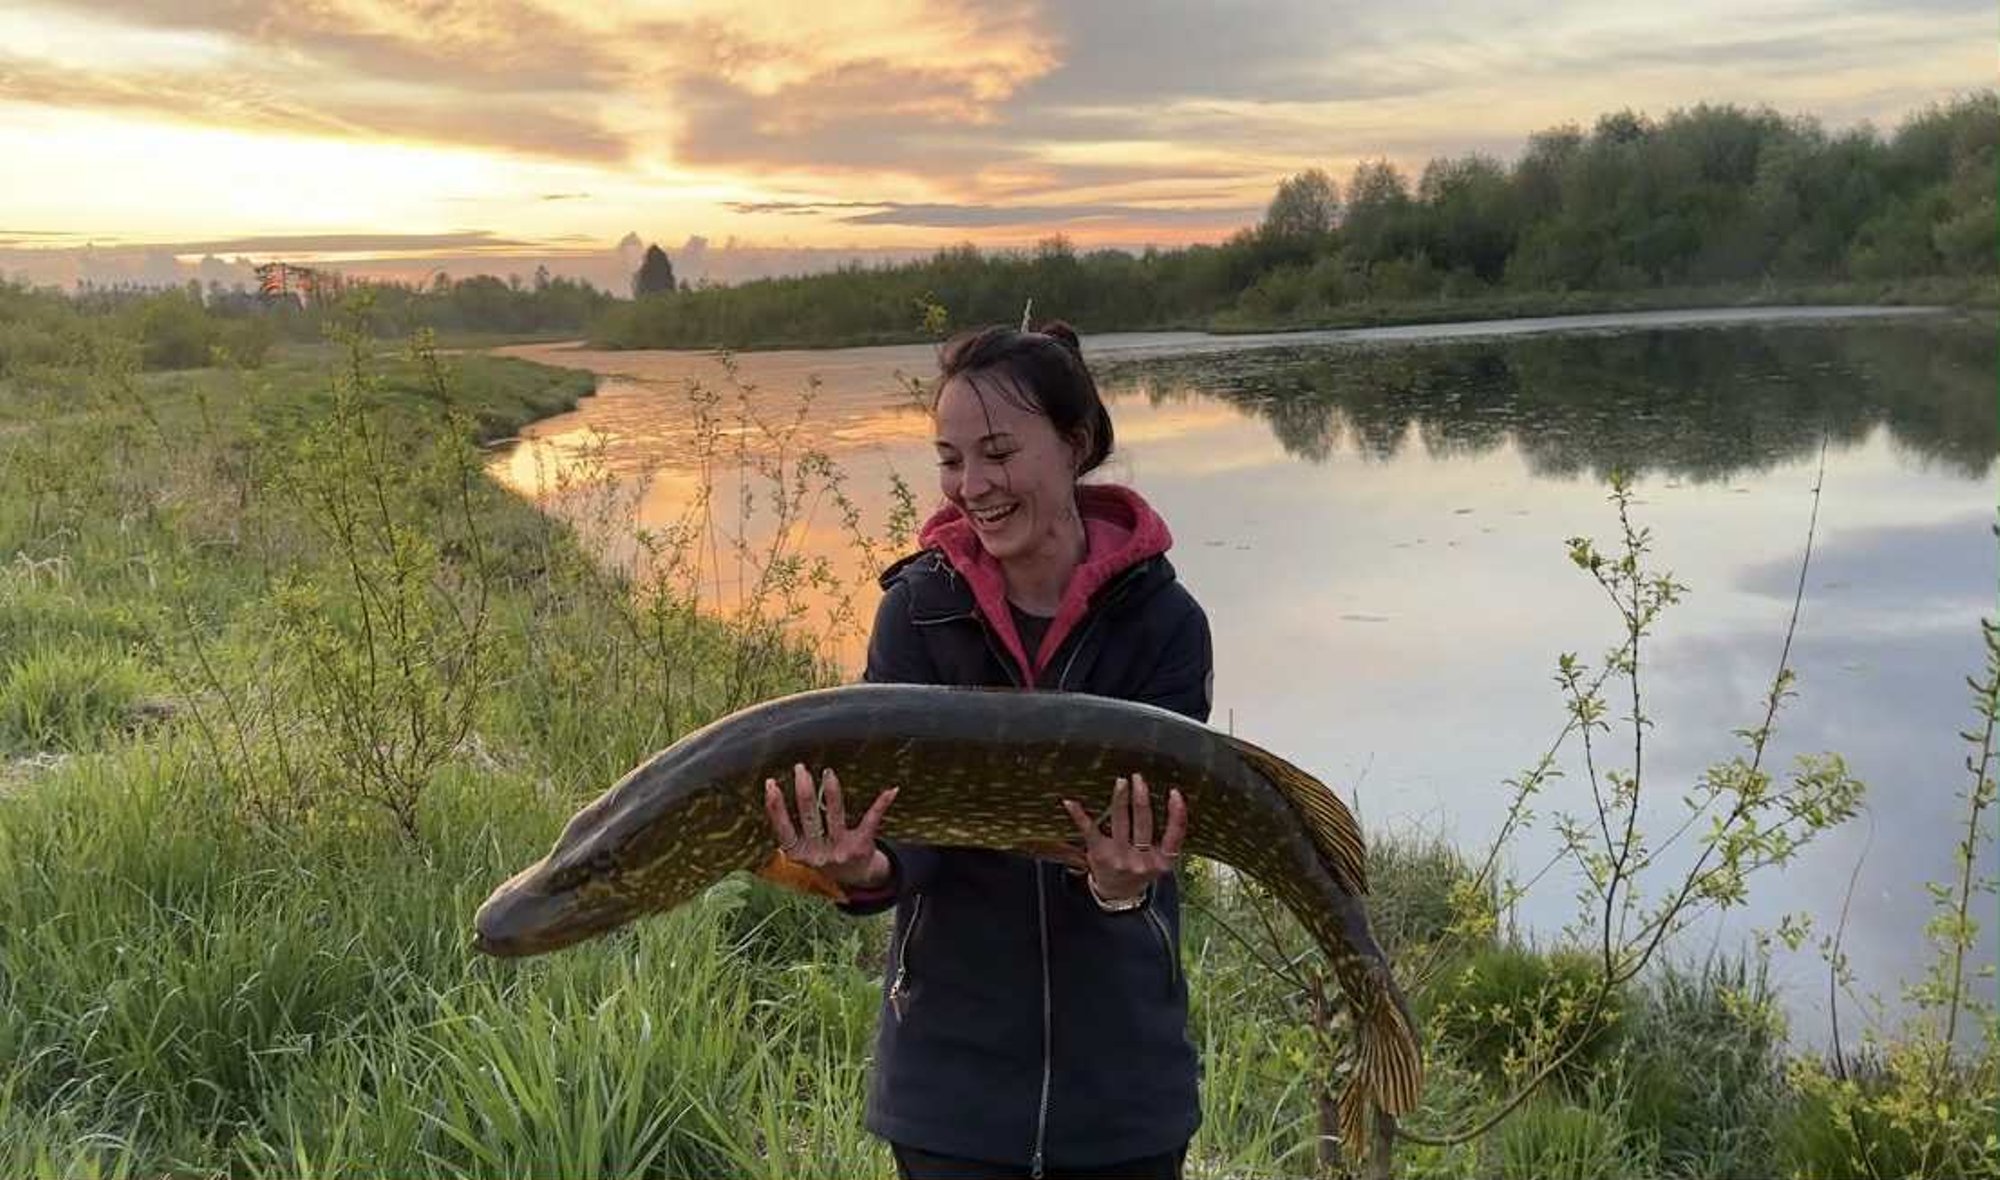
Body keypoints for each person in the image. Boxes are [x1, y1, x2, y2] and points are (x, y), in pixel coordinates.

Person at [761, 322, 1214, 1180]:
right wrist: (857, 870)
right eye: (949, 459)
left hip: (1121, 1092)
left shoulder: (1165, 623)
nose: (972, 486)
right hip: (951, 1091)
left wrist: (1121, 886)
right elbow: (905, 832)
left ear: (1075, 445)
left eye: (998, 452)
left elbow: (1163, 832)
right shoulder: (919, 613)